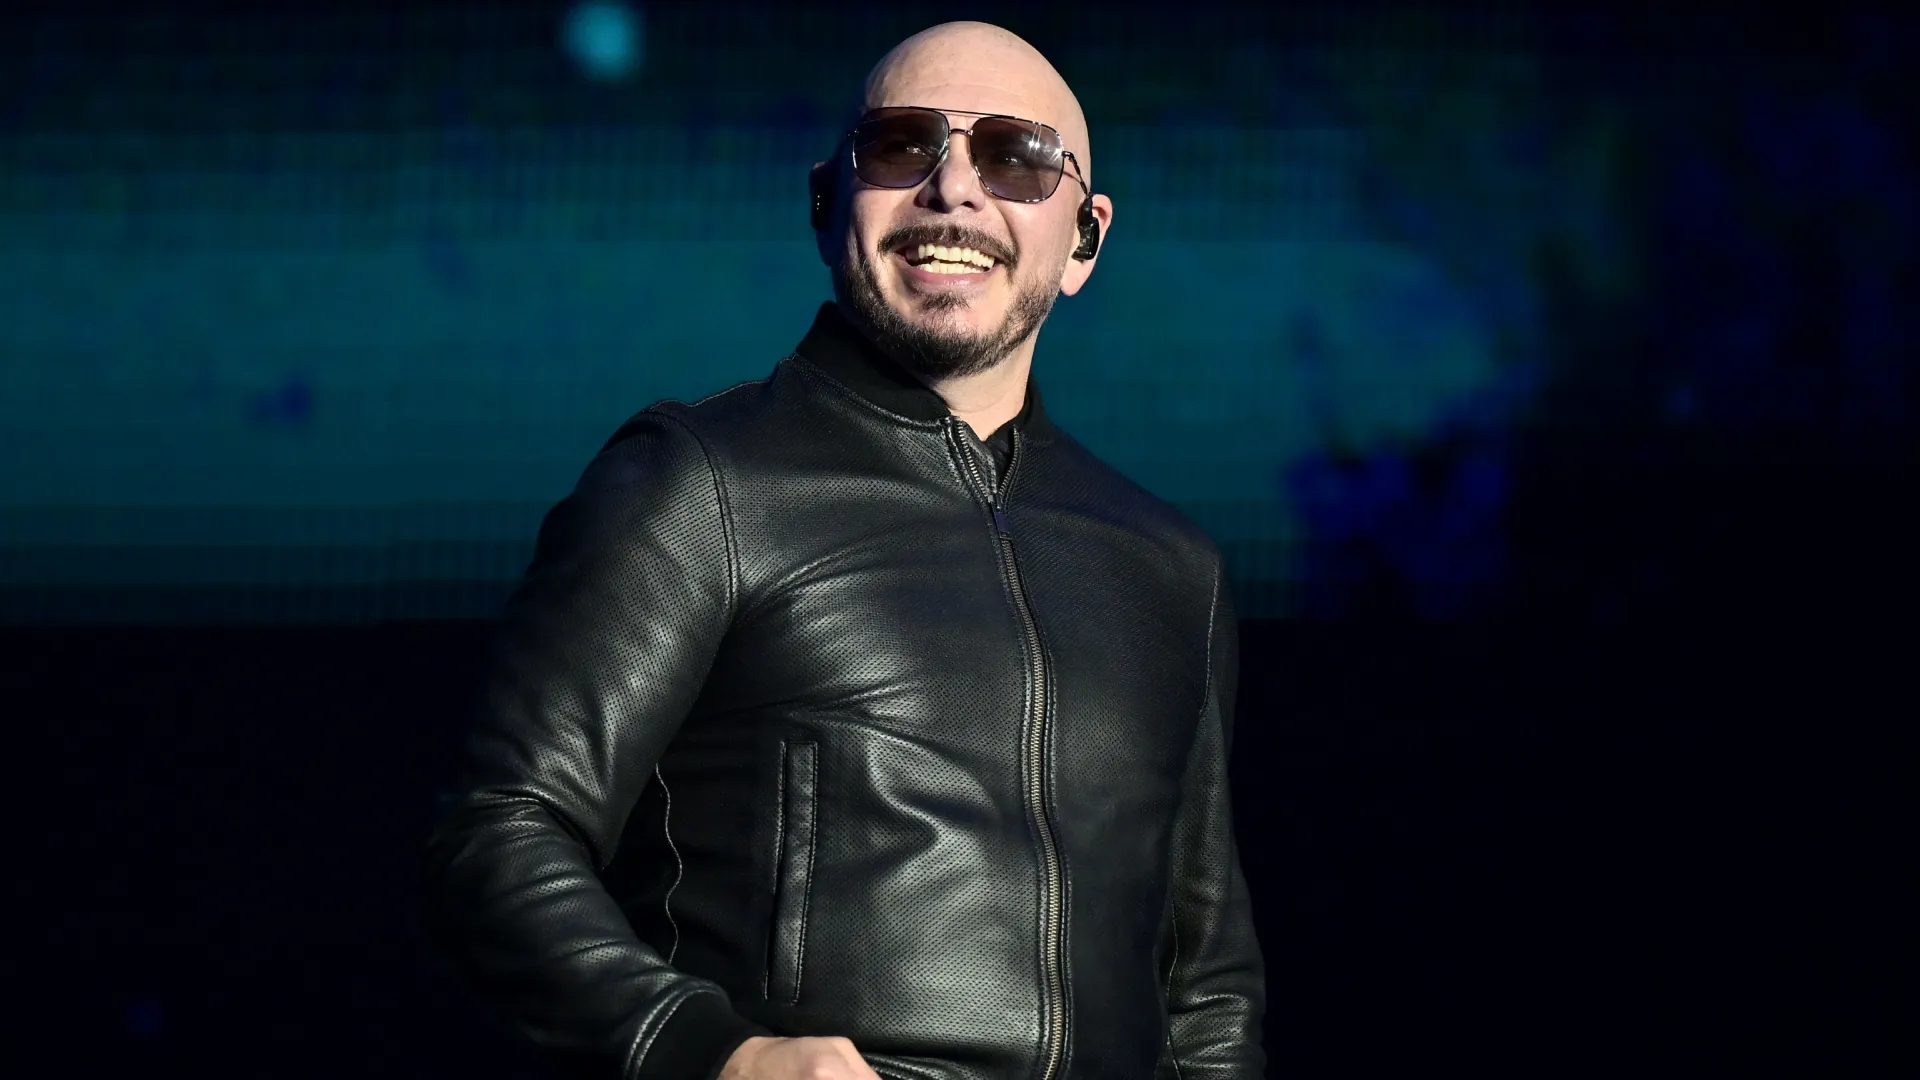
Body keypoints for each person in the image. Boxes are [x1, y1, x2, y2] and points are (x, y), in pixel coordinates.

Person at [416, 21, 1265, 1080]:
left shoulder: (1169, 568)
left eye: (1016, 157)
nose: (954, 189)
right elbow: (499, 833)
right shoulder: (700, 485)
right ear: (827, 205)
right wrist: (720, 1056)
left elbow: (1206, 989)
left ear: (1085, 240)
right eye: (902, 146)